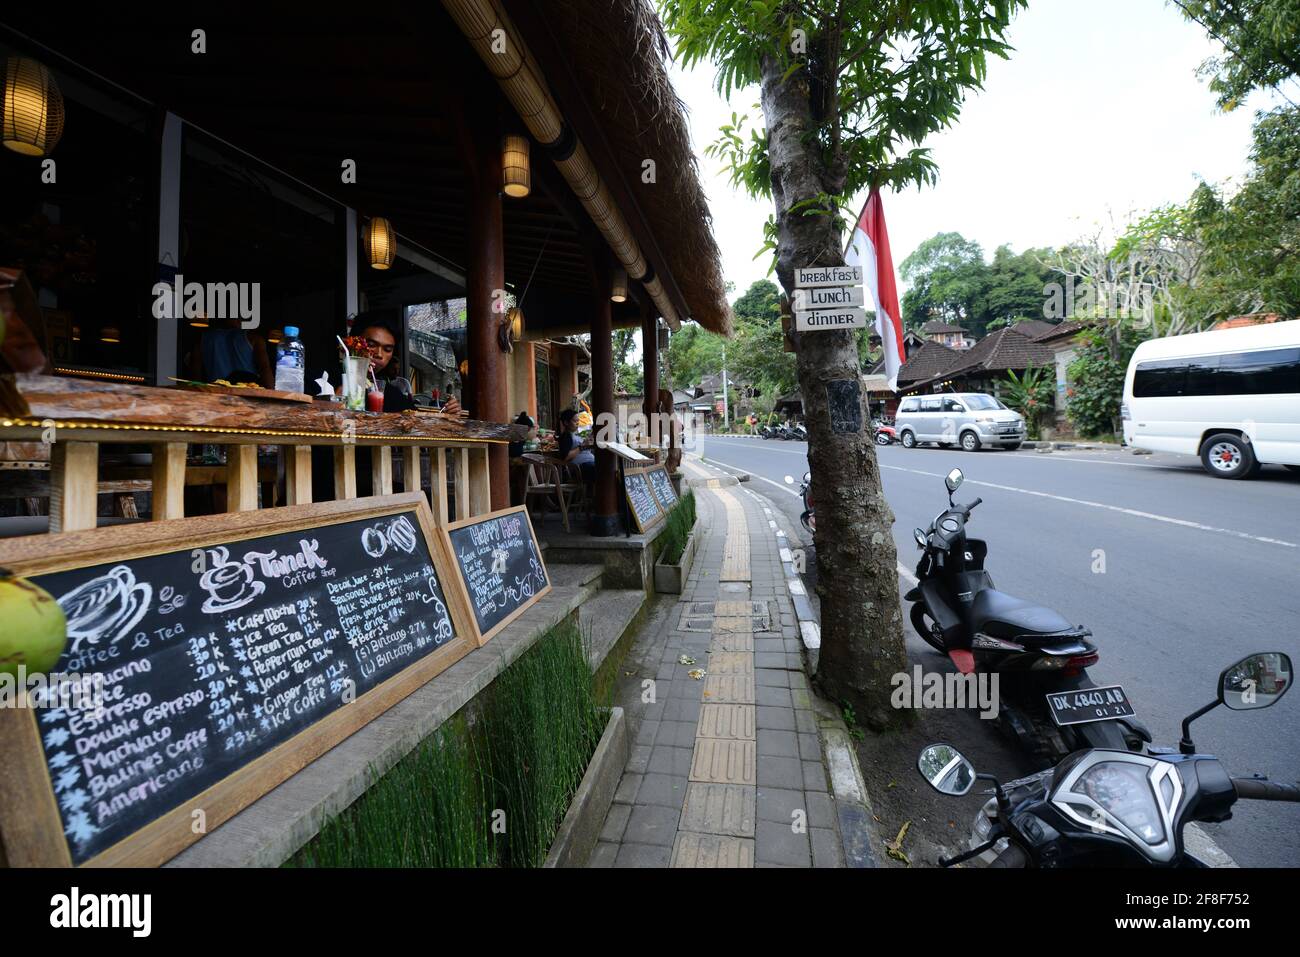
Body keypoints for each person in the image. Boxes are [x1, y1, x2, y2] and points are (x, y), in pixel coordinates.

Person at [353, 315, 461, 415]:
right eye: (371, 345)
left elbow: (416, 423)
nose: (379, 354)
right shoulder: (337, 385)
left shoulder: (392, 394)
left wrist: (448, 415)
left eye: (387, 349)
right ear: (353, 343)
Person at [189, 317, 274, 387]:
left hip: (216, 392)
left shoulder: (202, 339)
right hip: (247, 392)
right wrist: (272, 395)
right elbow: (265, 369)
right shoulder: (254, 339)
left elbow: (195, 375)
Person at [557, 407, 595, 484]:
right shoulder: (566, 436)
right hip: (579, 469)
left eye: (578, 421)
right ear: (566, 423)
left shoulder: (576, 435)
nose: (577, 423)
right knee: (604, 471)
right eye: (575, 421)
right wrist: (582, 447)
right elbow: (565, 457)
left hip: (587, 465)